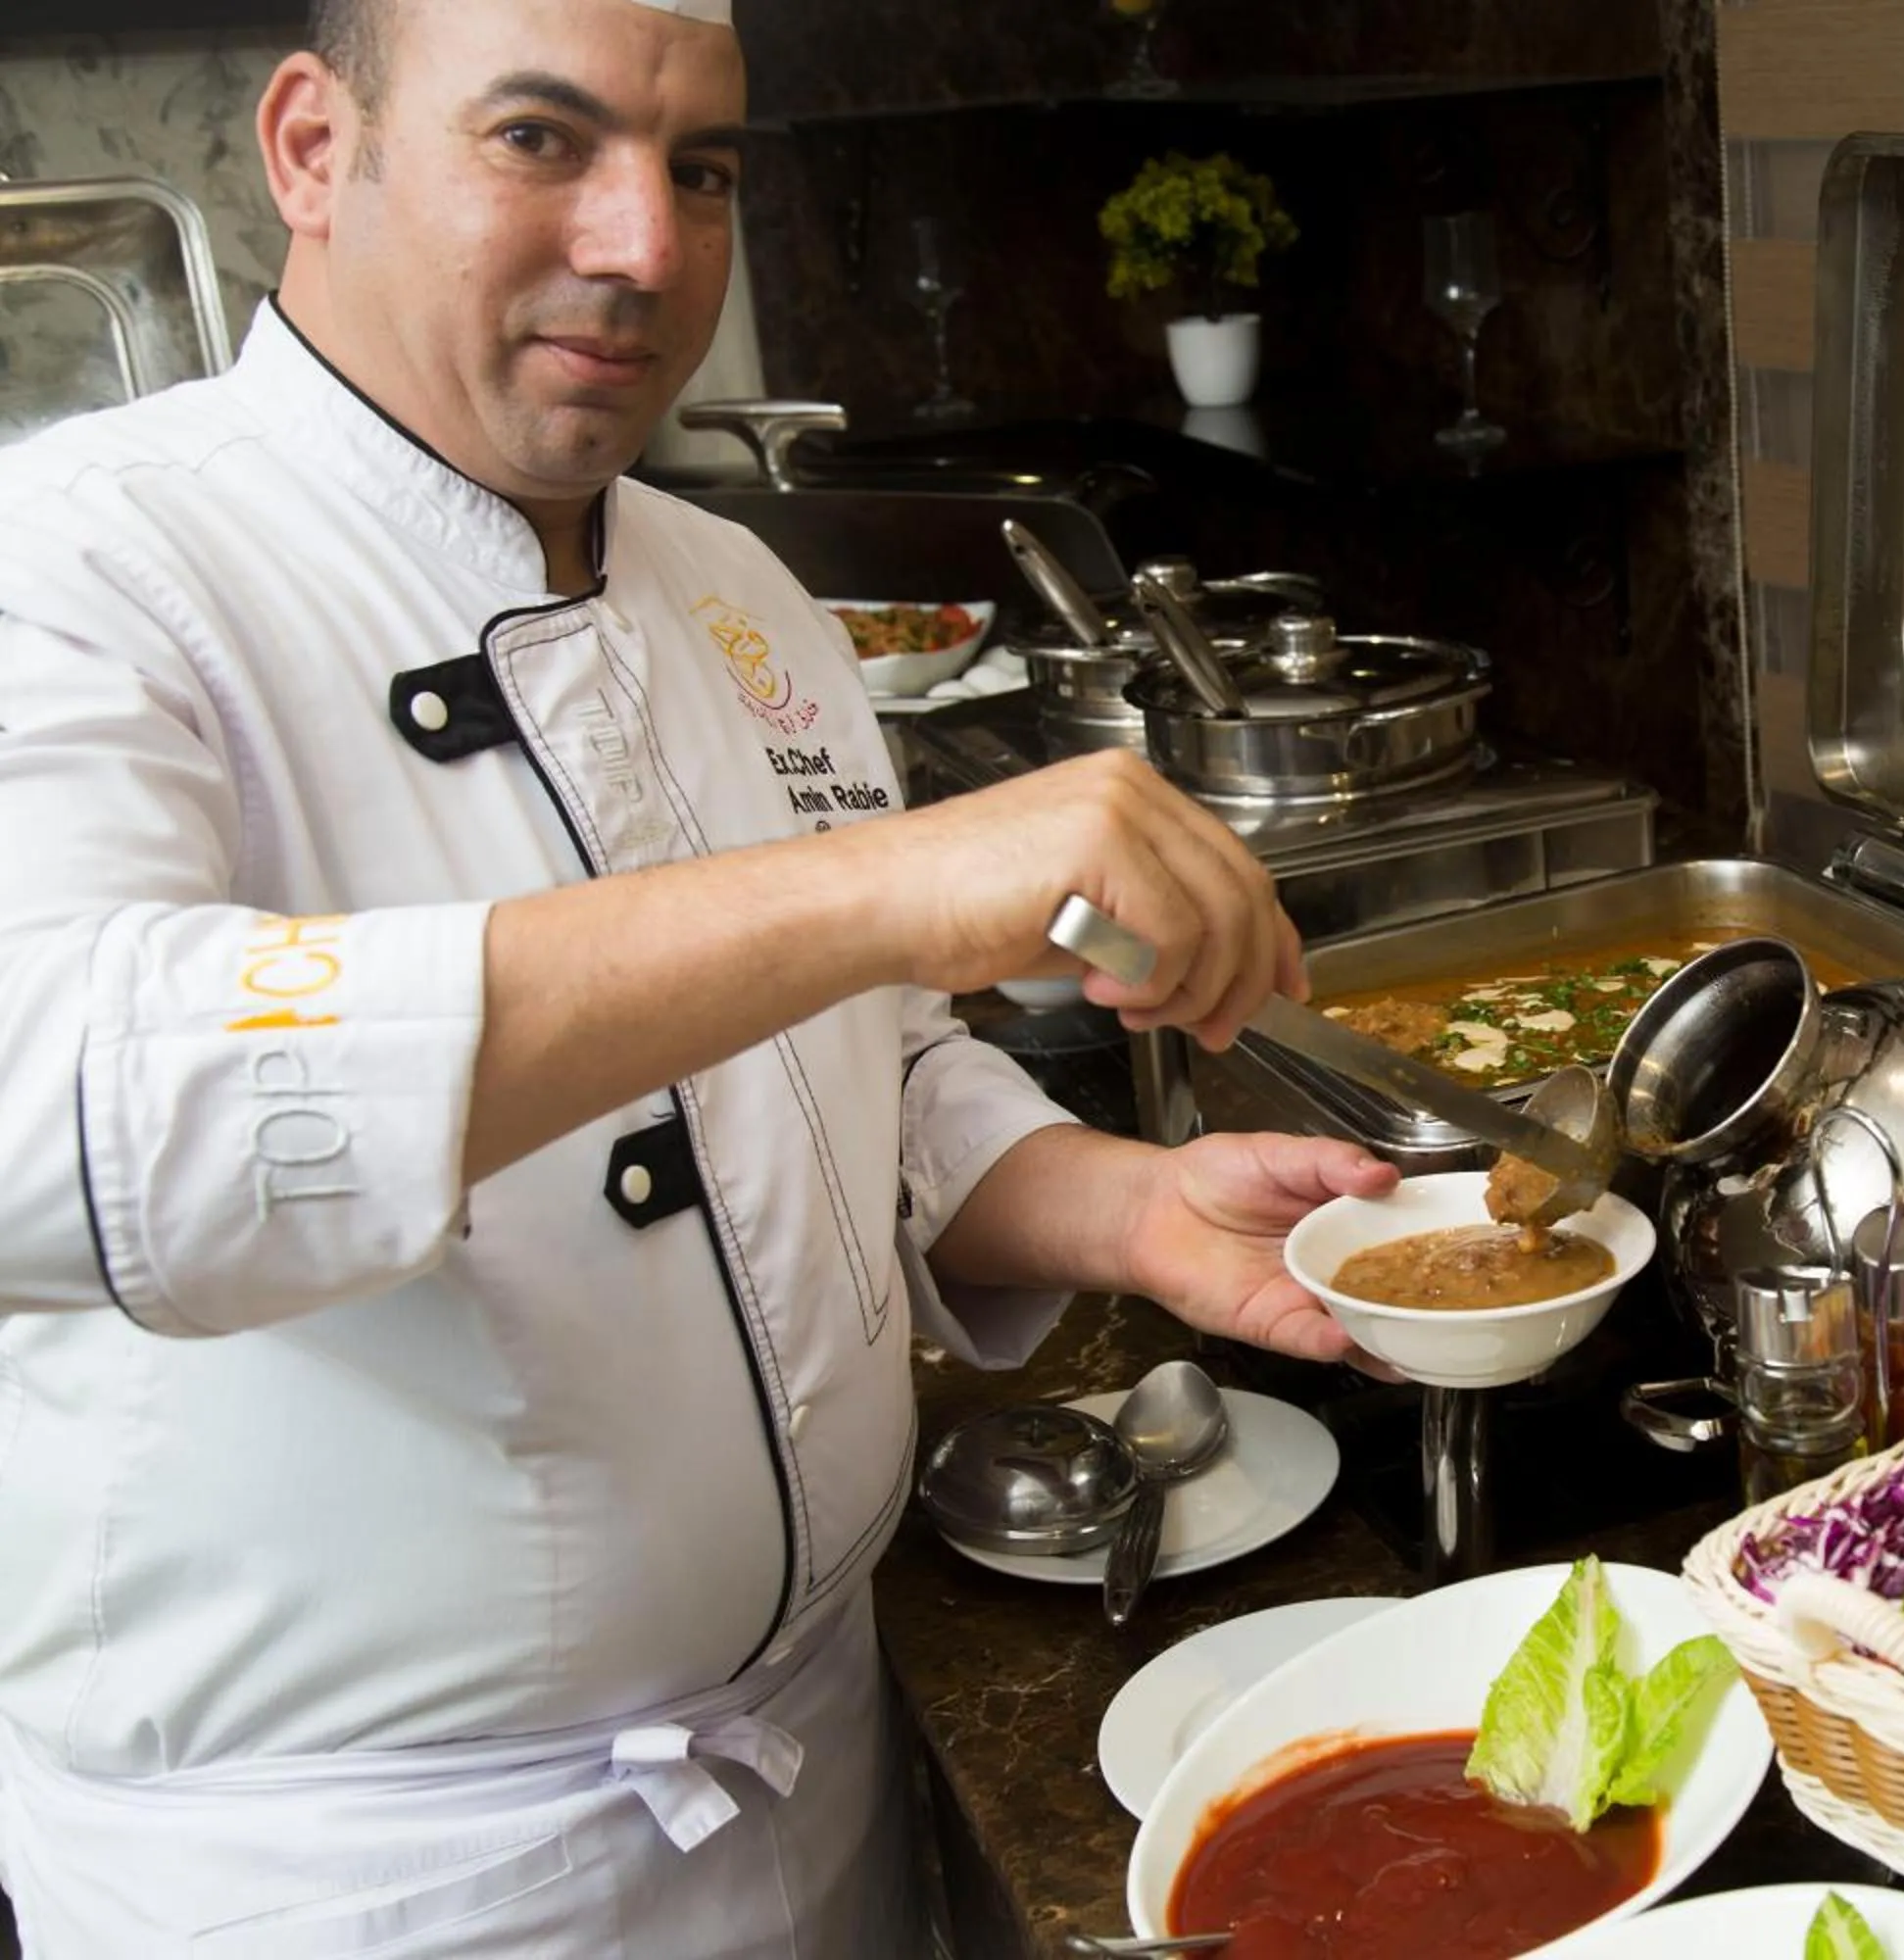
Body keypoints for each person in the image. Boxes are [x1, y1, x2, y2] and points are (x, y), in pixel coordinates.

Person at [0, 0, 1394, 1951]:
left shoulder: (730, 595)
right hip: (369, 1888)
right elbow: (67, 1115)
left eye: (704, 166)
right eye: (545, 141)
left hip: (820, 1774)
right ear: (316, 148)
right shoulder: (84, 560)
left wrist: (1128, 1208)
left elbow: (861, 1069)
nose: (649, 247)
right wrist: (882, 889)